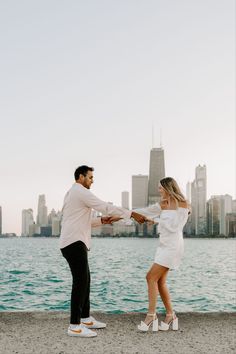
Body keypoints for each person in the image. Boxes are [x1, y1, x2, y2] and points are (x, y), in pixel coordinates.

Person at [60, 165, 146, 338]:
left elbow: (81, 220)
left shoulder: (71, 193)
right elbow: (104, 206)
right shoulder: (80, 192)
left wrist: (102, 221)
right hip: (74, 242)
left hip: (74, 241)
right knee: (80, 282)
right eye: (90, 177)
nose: (92, 180)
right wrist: (132, 214)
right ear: (81, 177)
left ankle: (85, 318)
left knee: (86, 280)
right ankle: (74, 326)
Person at [136, 177, 190, 332]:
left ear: (168, 187)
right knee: (160, 282)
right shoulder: (163, 204)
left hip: (173, 245)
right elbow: (145, 211)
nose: (158, 190)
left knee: (150, 277)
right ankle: (170, 316)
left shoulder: (182, 204)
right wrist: (126, 214)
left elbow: (175, 226)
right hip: (163, 244)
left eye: (160, 187)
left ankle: (151, 316)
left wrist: (157, 220)